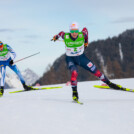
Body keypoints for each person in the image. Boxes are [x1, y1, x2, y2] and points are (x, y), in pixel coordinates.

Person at [52, 22, 121, 101]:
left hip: (81, 58)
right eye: (72, 31)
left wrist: (86, 41)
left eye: (76, 31)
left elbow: (85, 30)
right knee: (74, 72)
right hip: (70, 59)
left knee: (95, 71)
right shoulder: (66, 36)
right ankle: (75, 93)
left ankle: (109, 83)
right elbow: (60, 33)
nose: (74, 33)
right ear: (70, 31)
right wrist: (56, 37)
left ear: (78, 31)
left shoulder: (82, 35)